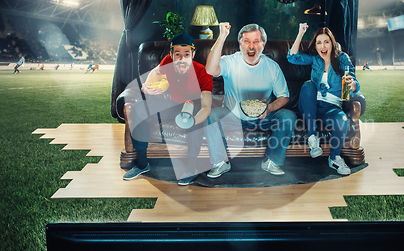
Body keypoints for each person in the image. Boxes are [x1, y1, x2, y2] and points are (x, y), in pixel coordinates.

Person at [204, 23, 296, 177]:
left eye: (256, 41)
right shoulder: (230, 61)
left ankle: (272, 161)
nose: (251, 46)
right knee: (210, 115)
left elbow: (284, 96)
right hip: (232, 115)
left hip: (262, 117)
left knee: (288, 116)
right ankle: (220, 163)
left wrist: (269, 108)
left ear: (263, 44)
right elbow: (210, 70)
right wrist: (222, 36)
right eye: (246, 41)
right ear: (240, 43)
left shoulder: (272, 67)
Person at [123, 33, 213, 185]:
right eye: (177, 55)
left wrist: (193, 121)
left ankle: (191, 168)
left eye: (187, 54)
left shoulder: (203, 72)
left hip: (194, 107)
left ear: (193, 54)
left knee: (197, 120)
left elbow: (206, 107)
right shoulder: (167, 62)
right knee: (139, 107)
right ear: (171, 55)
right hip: (172, 104)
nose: (182, 59)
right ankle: (142, 164)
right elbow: (156, 72)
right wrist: (148, 84)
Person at [287, 23, 360, 175]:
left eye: (326, 41)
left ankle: (334, 158)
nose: (323, 46)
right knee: (308, 85)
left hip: (331, 109)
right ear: (315, 45)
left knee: (342, 120)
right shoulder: (315, 59)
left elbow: (353, 81)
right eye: (319, 42)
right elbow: (292, 58)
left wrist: (352, 85)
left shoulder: (342, 58)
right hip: (309, 106)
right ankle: (312, 137)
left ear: (332, 44)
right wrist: (300, 33)